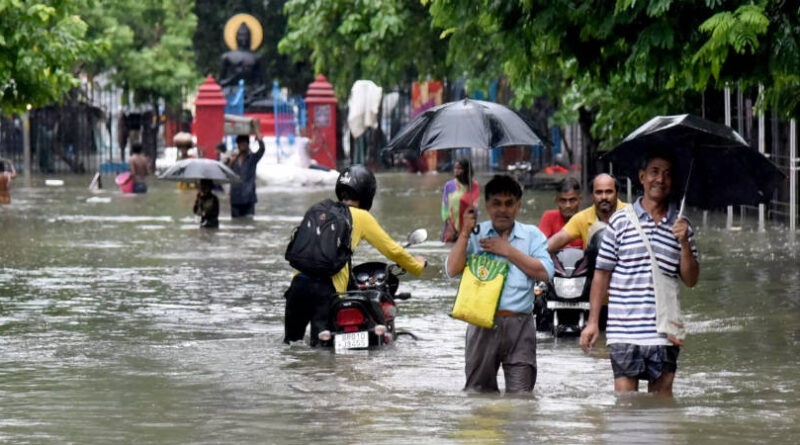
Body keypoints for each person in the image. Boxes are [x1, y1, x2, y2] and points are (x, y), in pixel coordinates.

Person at [580, 148, 699, 397]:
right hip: (623, 331)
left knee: (662, 409)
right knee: (625, 407)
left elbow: (691, 280)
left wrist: (685, 241)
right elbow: (602, 274)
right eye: (654, 172)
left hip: (664, 332)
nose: (661, 179)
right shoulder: (620, 221)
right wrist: (592, 323)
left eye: (667, 174)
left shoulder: (682, 226)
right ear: (642, 176)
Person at [284, 165, 426, 346]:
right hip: (326, 291)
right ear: (368, 193)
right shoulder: (361, 216)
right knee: (321, 352)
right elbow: (392, 250)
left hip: (297, 287)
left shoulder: (321, 209)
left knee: (291, 346)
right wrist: (417, 266)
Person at [446, 174, 554, 393]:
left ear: (518, 206)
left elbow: (545, 273)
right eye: (496, 203)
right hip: (481, 324)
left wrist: (508, 251)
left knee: (521, 398)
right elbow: (452, 269)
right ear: (486, 205)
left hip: (520, 325)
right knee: (479, 395)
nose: (502, 210)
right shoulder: (476, 233)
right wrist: (465, 233)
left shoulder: (532, 235)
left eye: (509, 204)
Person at [547, 173, 626, 253]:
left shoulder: (631, 214)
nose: (603, 197)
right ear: (592, 195)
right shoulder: (582, 218)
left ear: (617, 194)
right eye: (599, 192)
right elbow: (558, 239)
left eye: (609, 192)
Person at [226, 129, 265, 218]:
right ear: (238, 145)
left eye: (244, 143)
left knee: (249, 224)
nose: (242, 145)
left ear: (248, 144)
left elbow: (262, 150)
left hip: (249, 198)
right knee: (235, 225)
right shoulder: (233, 159)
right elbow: (226, 174)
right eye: (240, 143)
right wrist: (230, 163)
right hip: (235, 198)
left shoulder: (252, 158)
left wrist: (259, 138)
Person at [441, 159, 480, 242]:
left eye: (460, 168)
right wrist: (449, 225)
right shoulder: (449, 185)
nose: (456, 171)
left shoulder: (474, 185)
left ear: (466, 170)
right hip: (451, 225)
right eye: (455, 168)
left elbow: (475, 206)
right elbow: (445, 206)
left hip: (467, 224)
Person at [538, 177, 583, 248]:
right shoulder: (549, 217)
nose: (568, 205)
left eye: (572, 200)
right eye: (563, 201)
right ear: (556, 201)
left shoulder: (586, 219)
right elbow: (539, 245)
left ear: (580, 200)